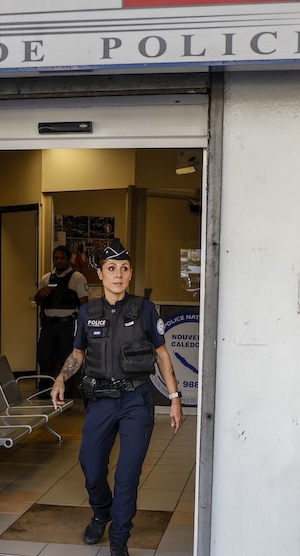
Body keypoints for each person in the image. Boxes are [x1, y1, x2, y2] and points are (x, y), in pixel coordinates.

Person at [50, 238, 184, 556]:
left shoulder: (146, 310)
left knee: (127, 474)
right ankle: (101, 512)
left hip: (136, 400)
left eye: (124, 269)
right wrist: (60, 377)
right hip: (101, 401)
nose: (118, 274)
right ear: (100, 273)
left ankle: (119, 539)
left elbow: (163, 355)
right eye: (112, 269)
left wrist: (175, 397)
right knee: (91, 464)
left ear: (130, 273)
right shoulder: (87, 313)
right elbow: (78, 353)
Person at [34, 245, 89, 392]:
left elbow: (84, 303)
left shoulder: (77, 278)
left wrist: (84, 327)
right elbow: (38, 301)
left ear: (68, 259)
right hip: (49, 325)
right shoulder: (46, 278)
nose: (59, 261)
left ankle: (67, 391)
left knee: (68, 358)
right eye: (56, 258)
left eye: (62, 258)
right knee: (45, 357)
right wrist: (40, 294)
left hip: (67, 325)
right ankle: (45, 390)